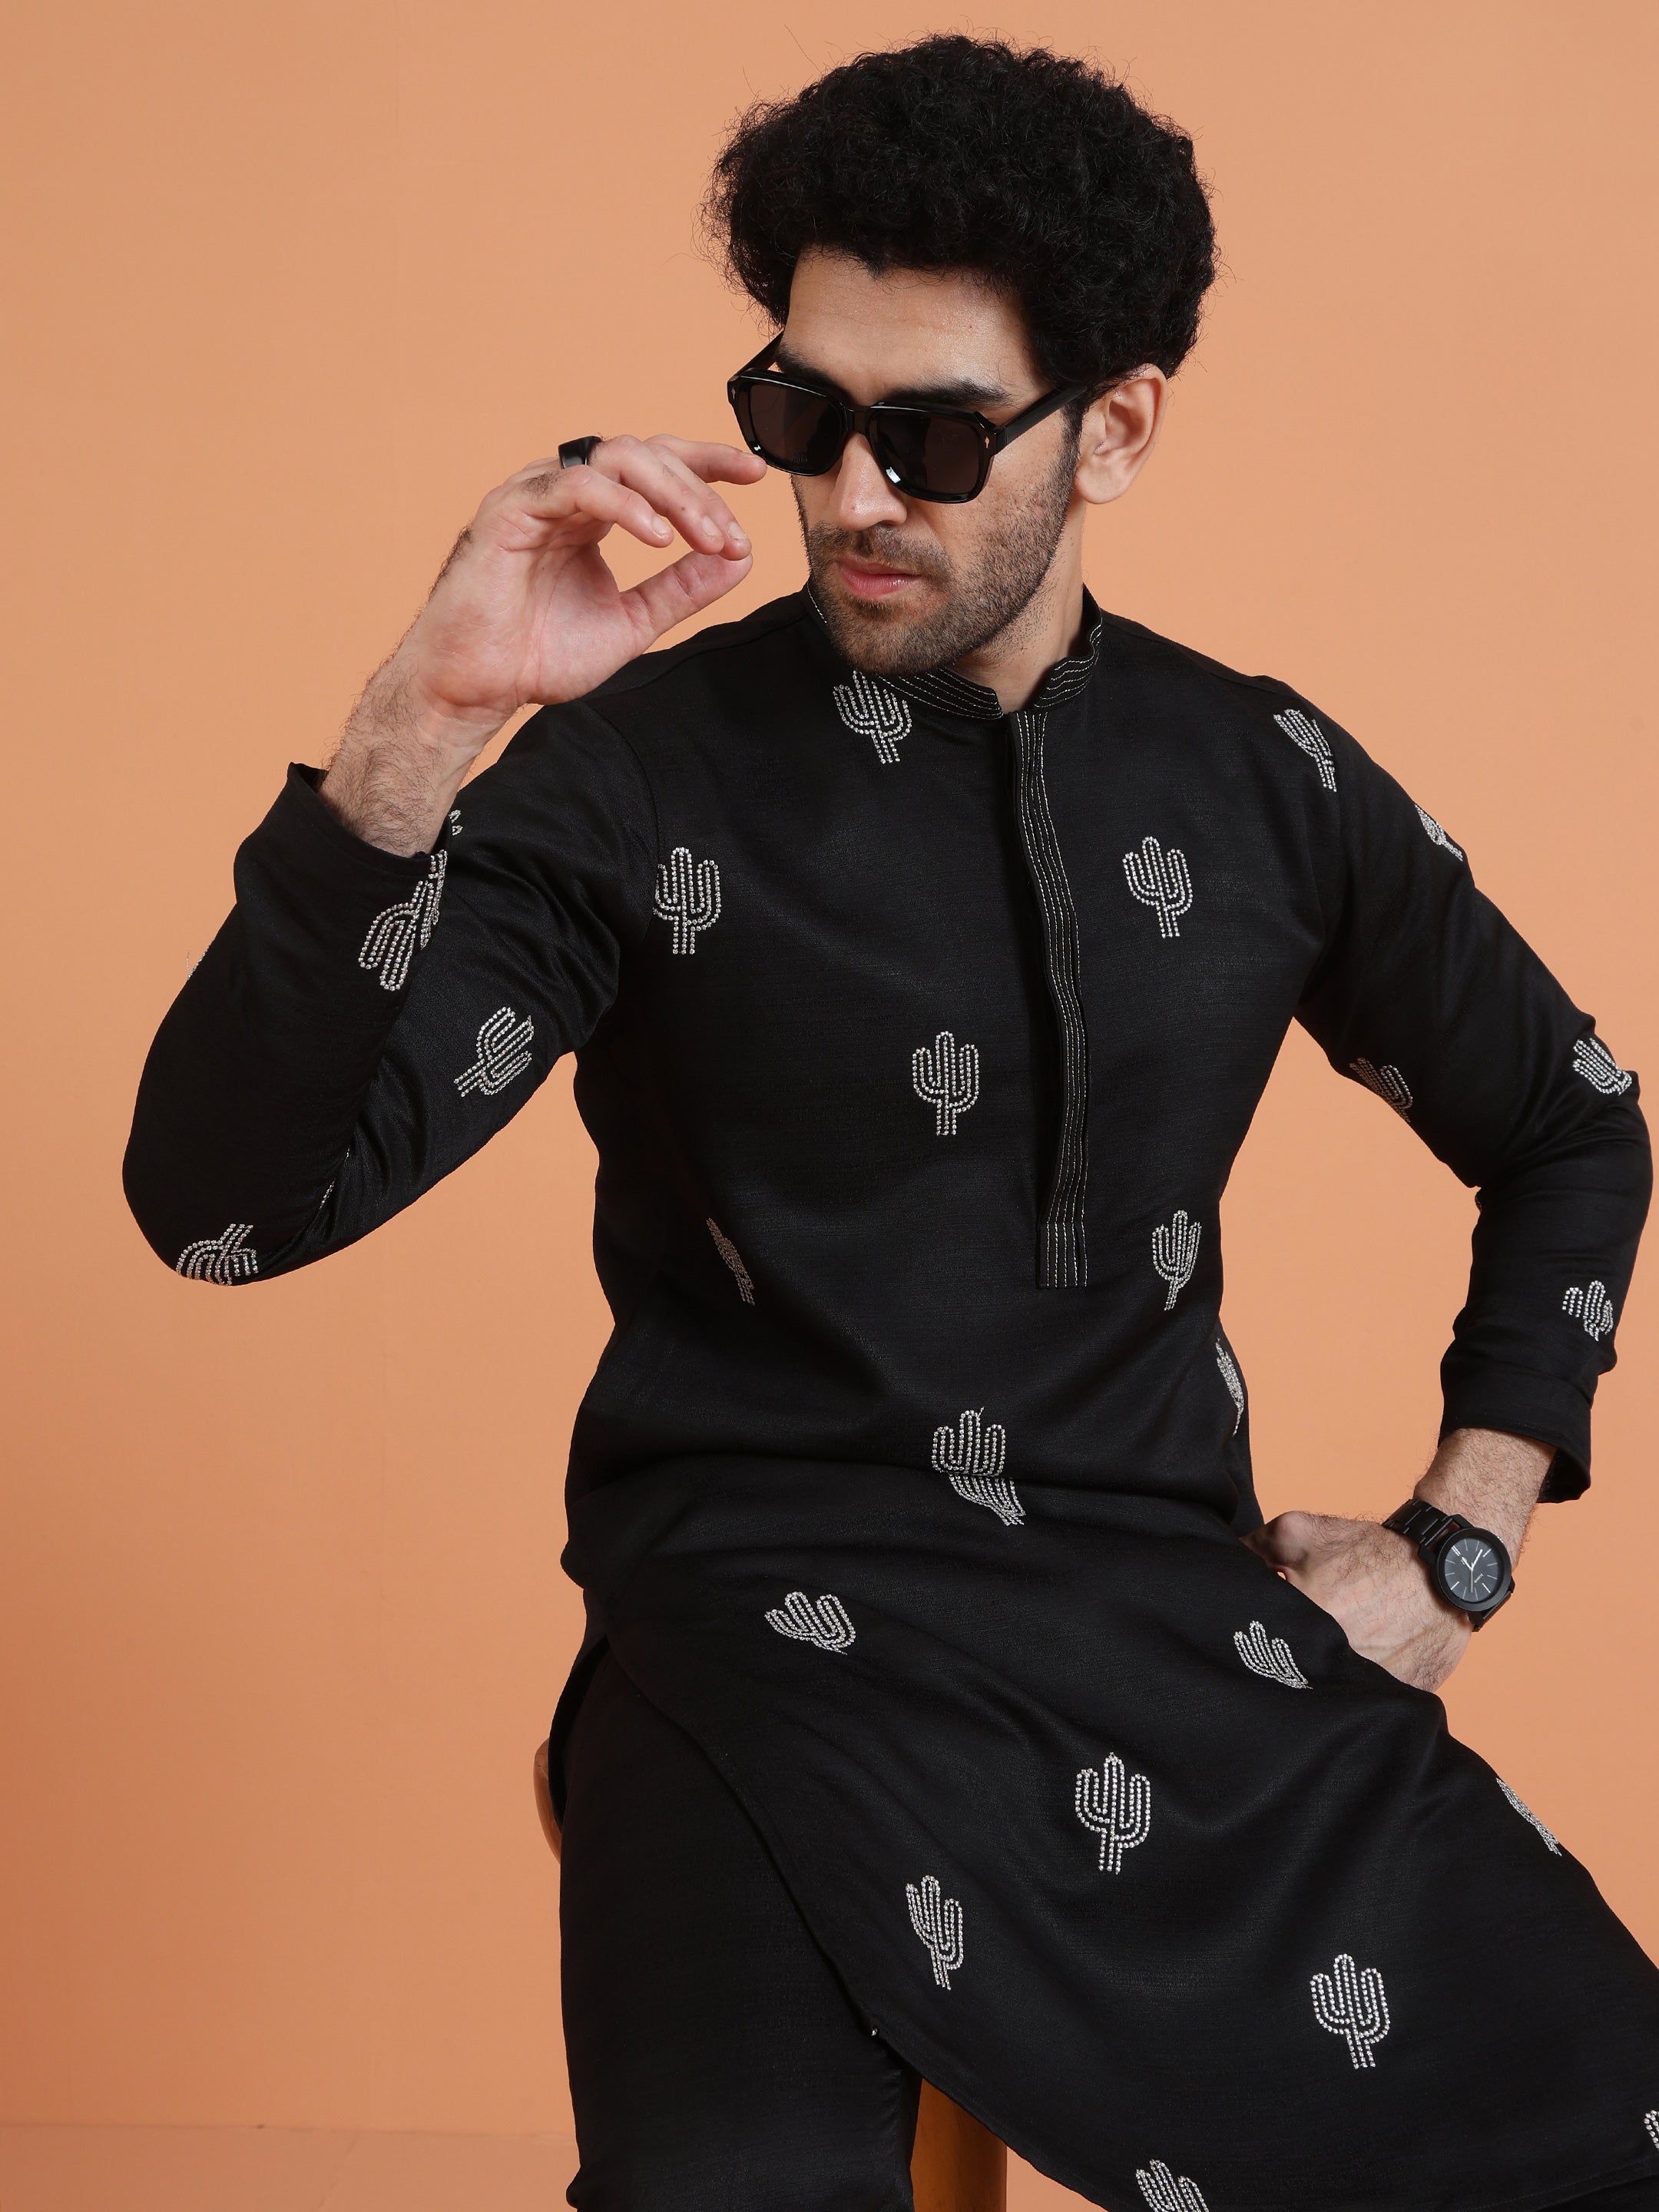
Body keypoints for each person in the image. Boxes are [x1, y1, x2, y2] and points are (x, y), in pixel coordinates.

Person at [123, 34, 1659, 2212]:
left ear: (1114, 428)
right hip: (752, 1653)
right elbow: (224, 1210)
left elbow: (1576, 1122)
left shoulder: (1263, 783)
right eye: (800, 416)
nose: (851, 494)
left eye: (932, 437)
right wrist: (422, 723)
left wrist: (1459, 1544)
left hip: (1176, 1660)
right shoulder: (640, 774)